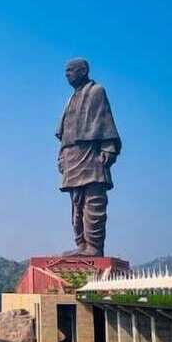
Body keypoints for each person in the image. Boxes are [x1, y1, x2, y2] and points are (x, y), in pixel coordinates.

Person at [56, 58, 121, 256]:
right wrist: (61, 156)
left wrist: (108, 148)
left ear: (83, 71)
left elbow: (105, 121)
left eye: (70, 70)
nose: (66, 74)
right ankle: (81, 244)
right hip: (71, 155)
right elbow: (64, 132)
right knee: (76, 204)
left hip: (91, 153)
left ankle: (94, 246)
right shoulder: (70, 98)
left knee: (94, 201)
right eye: (65, 71)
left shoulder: (96, 91)